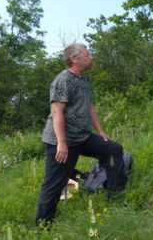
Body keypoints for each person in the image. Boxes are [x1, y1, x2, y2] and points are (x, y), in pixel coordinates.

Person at [35, 44, 127, 227]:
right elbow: (57, 112)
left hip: (83, 137)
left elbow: (89, 107)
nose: (91, 57)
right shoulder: (63, 80)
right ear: (74, 59)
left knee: (113, 150)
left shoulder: (83, 81)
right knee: (53, 183)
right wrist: (62, 143)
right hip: (61, 141)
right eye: (87, 54)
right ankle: (43, 227)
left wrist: (100, 132)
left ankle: (116, 196)